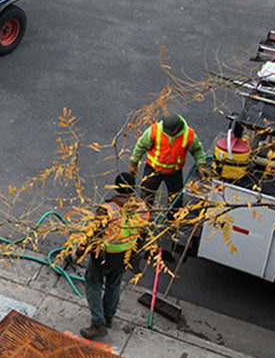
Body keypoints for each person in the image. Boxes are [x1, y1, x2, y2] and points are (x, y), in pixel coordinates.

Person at [79, 172, 149, 340]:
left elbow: (96, 234)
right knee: (114, 284)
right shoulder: (142, 208)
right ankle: (108, 317)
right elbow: (143, 234)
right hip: (124, 255)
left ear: (116, 187)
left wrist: (81, 249)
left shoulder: (108, 209)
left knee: (94, 283)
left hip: (104, 254)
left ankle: (98, 323)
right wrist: (134, 254)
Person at [128, 114, 210, 221]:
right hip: (153, 170)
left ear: (176, 128)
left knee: (175, 199)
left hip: (174, 173)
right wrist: (134, 162)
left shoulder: (188, 135)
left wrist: (201, 165)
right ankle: (144, 218)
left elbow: (197, 150)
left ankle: (172, 219)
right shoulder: (155, 131)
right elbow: (141, 146)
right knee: (147, 195)